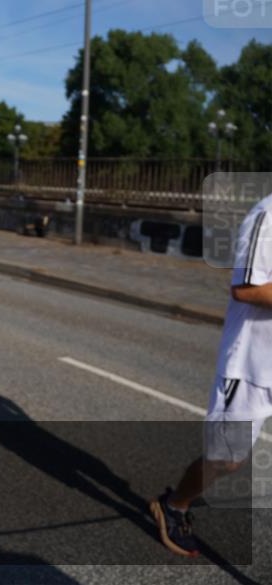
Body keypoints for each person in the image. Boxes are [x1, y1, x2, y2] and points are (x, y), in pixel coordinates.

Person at [150, 191, 272, 558]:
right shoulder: (268, 214)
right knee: (226, 460)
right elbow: (246, 289)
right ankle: (175, 504)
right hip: (253, 366)